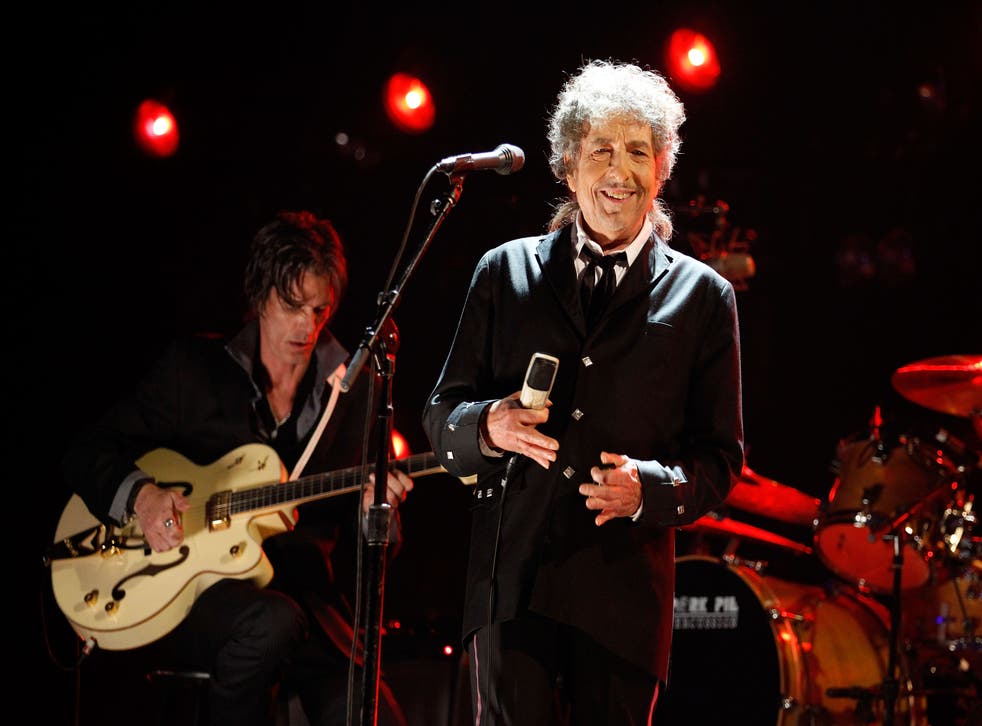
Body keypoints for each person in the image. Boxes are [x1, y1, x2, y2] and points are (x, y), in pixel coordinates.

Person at [422, 59, 744, 725]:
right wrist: (489, 426)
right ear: (568, 167)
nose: (619, 171)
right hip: (512, 583)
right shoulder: (502, 272)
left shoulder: (705, 297)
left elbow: (720, 457)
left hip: (624, 596)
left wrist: (649, 488)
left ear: (662, 168)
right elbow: (440, 415)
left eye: (637, 151)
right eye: (601, 149)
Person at [61, 210, 413, 726]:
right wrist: (140, 495)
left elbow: (374, 554)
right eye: (291, 306)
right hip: (198, 596)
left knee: (378, 714)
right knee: (270, 623)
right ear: (258, 296)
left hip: (311, 608)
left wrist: (375, 516)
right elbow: (84, 451)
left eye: (319, 309)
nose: (306, 326)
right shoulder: (193, 372)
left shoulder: (354, 395)